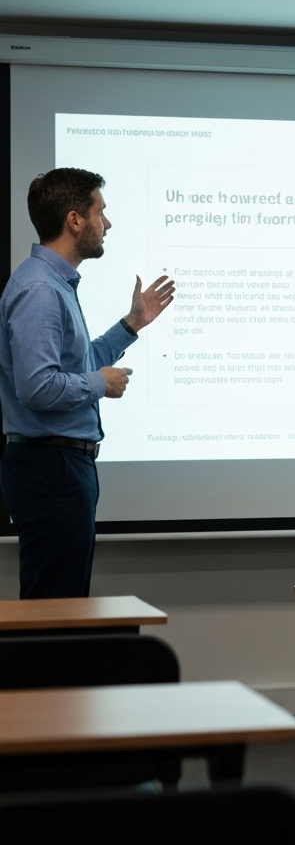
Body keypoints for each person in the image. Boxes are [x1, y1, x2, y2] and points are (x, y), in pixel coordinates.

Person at [0, 168, 174, 599]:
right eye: (101, 212)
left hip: (60, 467)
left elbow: (78, 363)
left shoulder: (55, 284)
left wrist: (132, 324)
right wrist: (99, 385)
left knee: (64, 606)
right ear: (75, 220)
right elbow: (37, 388)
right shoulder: (40, 289)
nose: (107, 224)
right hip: (50, 468)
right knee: (54, 610)